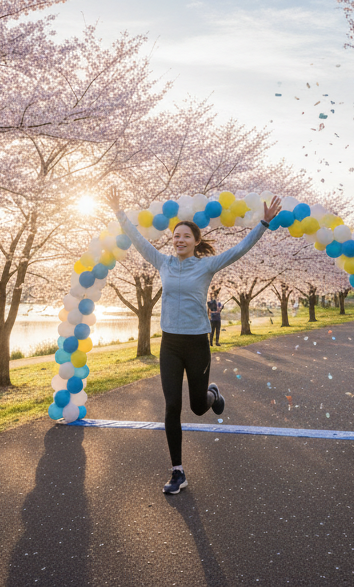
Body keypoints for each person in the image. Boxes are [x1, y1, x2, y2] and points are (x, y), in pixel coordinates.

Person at [107, 188, 282, 494]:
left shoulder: (206, 265)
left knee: (199, 407)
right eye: (176, 236)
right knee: (172, 406)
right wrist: (119, 212)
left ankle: (212, 394)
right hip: (170, 345)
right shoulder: (163, 262)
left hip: (197, 343)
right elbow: (138, 240)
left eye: (186, 236)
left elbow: (239, 250)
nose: (180, 240)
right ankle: (177, 471)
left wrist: (263, 224)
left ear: (196, 241)